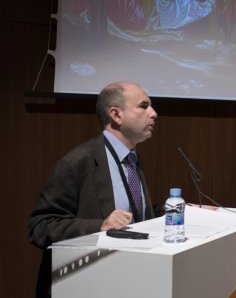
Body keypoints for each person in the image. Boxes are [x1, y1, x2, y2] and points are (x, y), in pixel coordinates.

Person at [28, 81, 160, 297]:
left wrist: (178, 209)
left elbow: (133, 215)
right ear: (116, 115)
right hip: (86, 283)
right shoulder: (77, 162)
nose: (153, 113)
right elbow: (41, 226)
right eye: (143, 106)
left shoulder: (132, 159)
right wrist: (99, 226)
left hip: (128, 278)